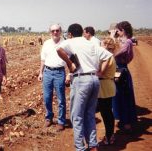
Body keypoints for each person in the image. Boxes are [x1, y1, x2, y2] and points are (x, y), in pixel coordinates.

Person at [57, 23, 113, 151]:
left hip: (81, 80)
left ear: (70, 34)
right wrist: (101, 71)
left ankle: (80, 148)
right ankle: (93, 145)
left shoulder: (72, 41)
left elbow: (58, 49)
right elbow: (108, 55)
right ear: (82, 32)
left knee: (76, 116)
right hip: (94, 79)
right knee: (89, 114)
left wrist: (70, 63)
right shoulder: (91, 43)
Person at [38, 24, 68, 131]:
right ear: (50, 32)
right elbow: (43, 59)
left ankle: (61, 121)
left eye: (57, 30)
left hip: (59, 72)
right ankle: (49, 117)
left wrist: (69, 74)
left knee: (60, 98)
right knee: (47, 97)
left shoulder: (65, 43)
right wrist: (40, 73)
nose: (55, 32)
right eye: (53, 31)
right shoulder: (46, 43)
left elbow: (70, 60)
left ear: (60, 31)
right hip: (47, 72)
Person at [112, 21, 137, 133]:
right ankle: (123, 120)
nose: (116, 32)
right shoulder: (125, 41)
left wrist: (112, 38)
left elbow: (115, 53)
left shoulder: (127, 42)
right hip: (120, 69)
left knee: (124, 97)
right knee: (118, 96)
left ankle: (127, 122)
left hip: (121, 71)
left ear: (122, 31)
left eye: (118, 30)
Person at [97, 37, 117, 145]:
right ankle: (110, 135)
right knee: (107, 113)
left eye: (101, 44)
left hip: (104, 86)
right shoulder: (110, 56)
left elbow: (100, 73)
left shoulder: (106, 57)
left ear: (105, 45)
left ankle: (109, 137)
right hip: (107, 85)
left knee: (106, 114)